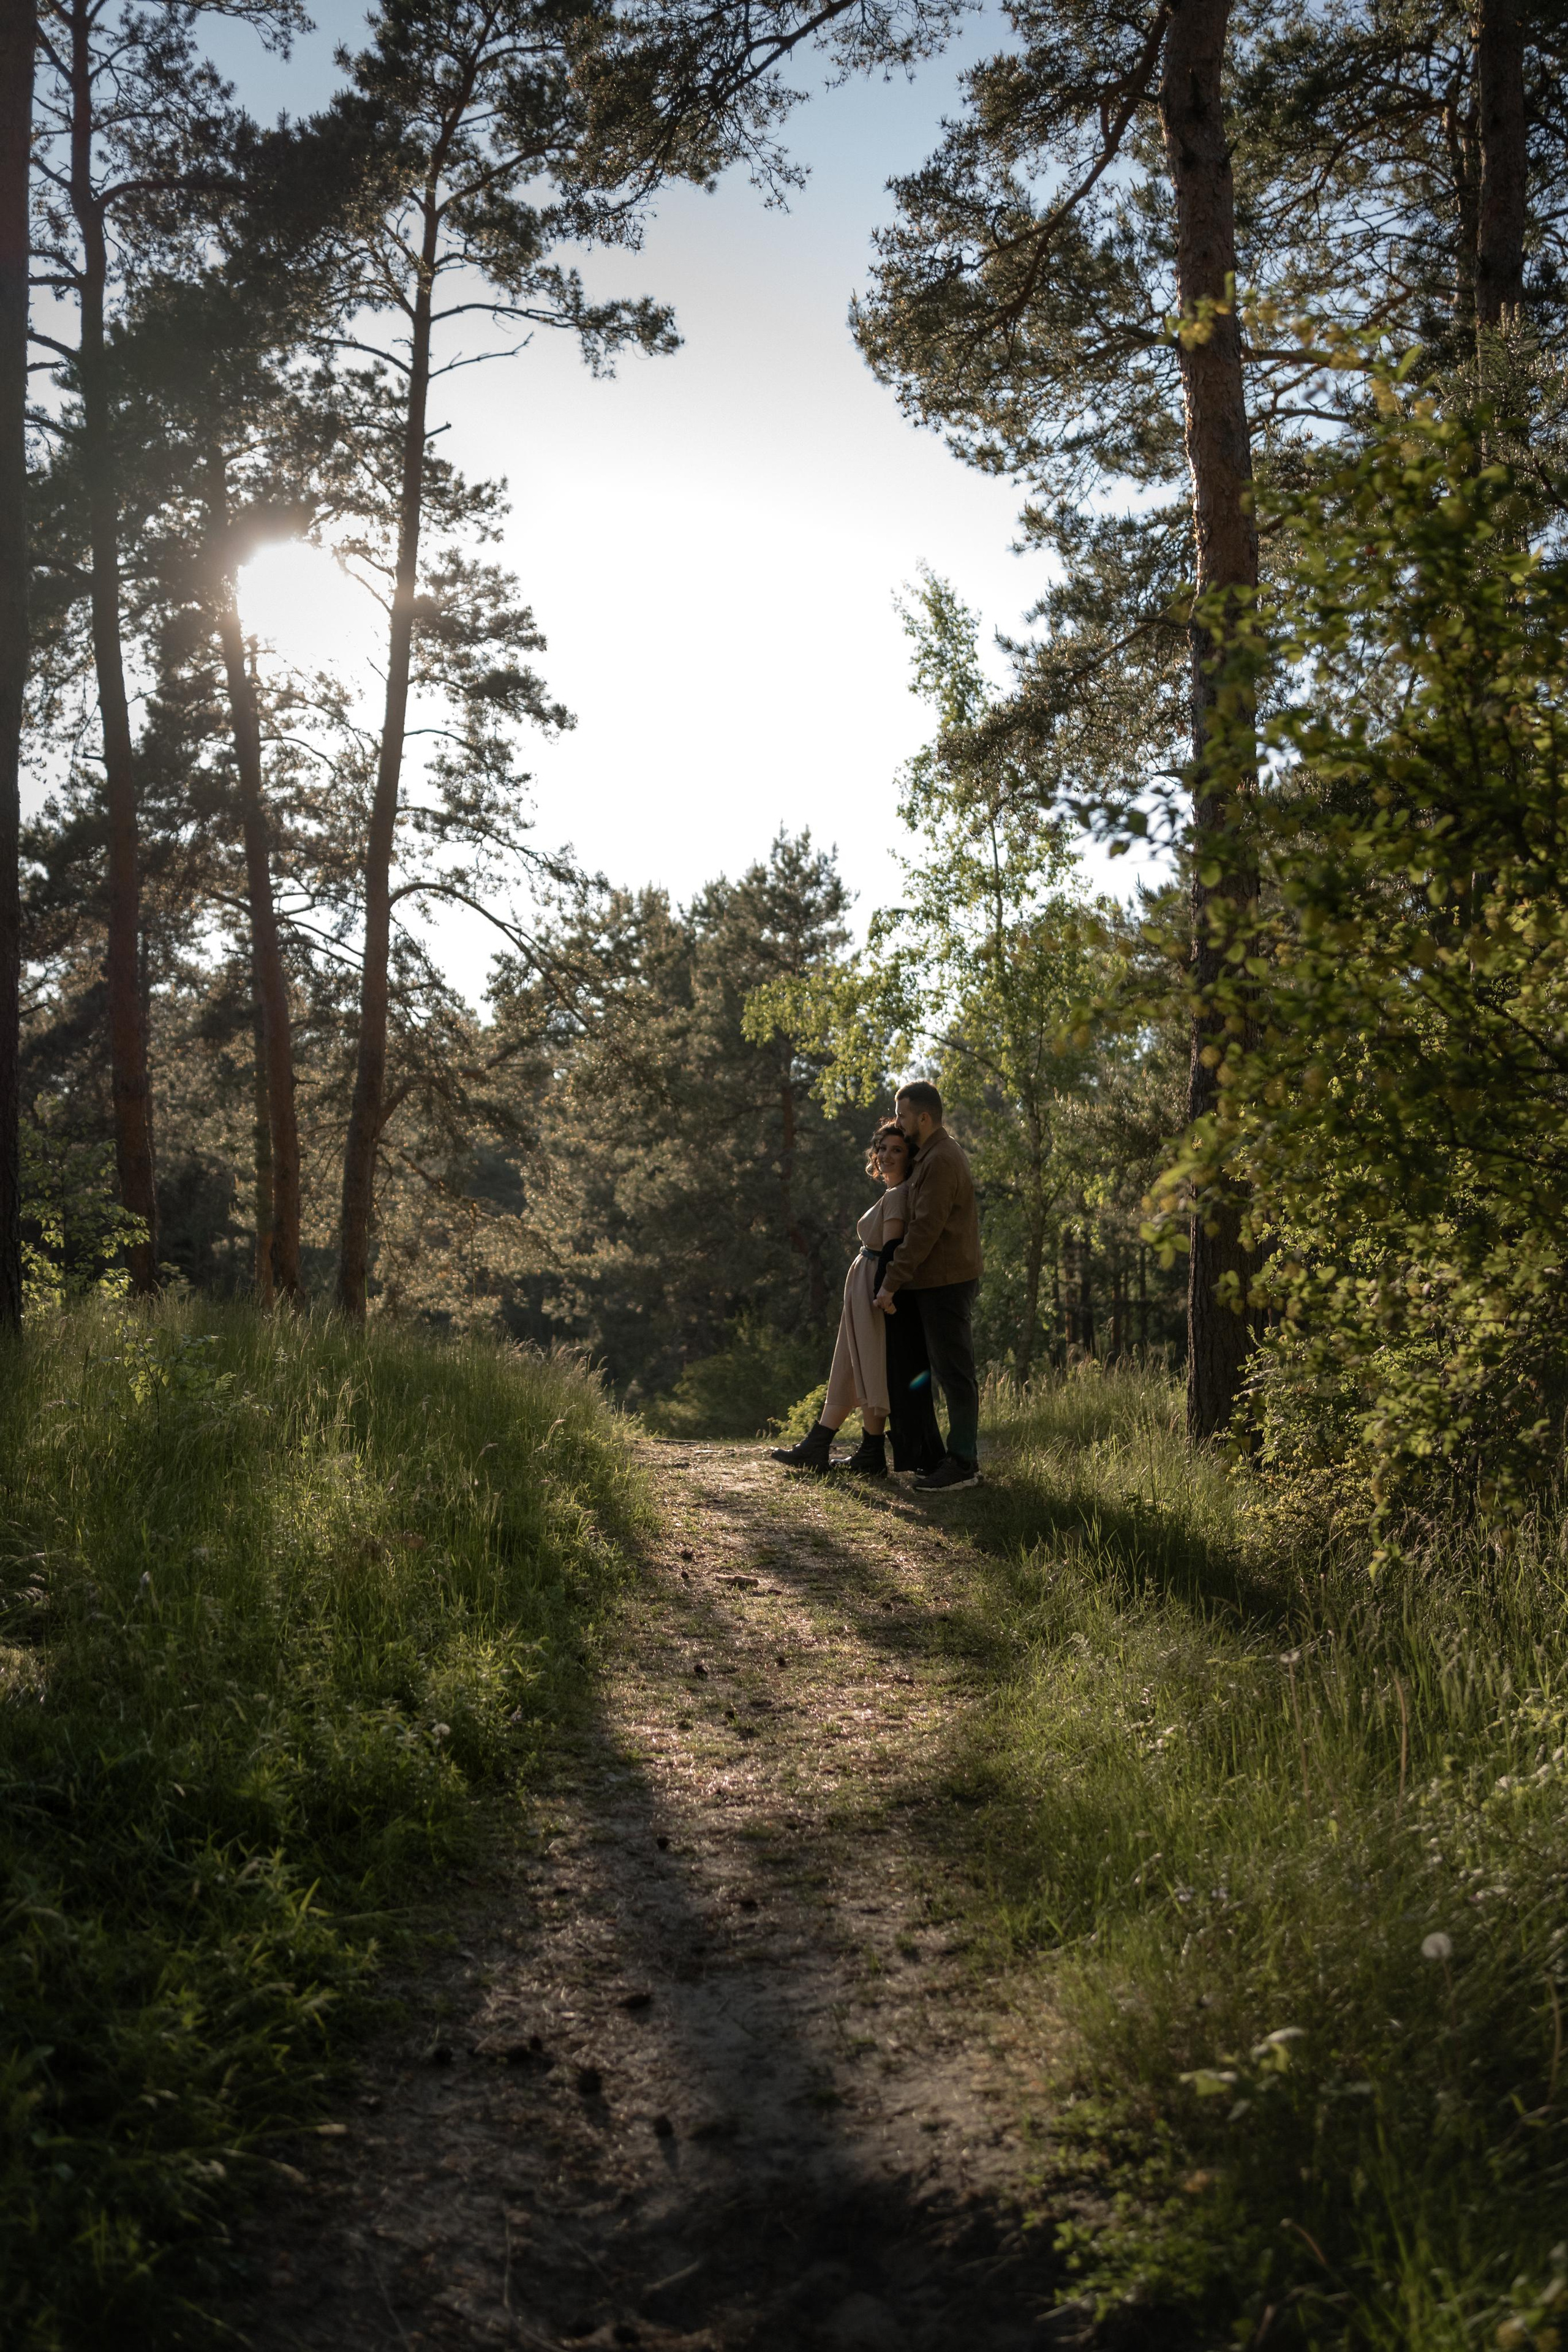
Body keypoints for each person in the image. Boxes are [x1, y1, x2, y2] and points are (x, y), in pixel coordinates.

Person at [769, 1121, 944, 1479]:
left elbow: (893, 1249)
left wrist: (885, 1292)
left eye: (896, 1149)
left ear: (910, 1156)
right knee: (851, 1365)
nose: (886, 1155)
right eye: (881, 1148)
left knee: (868, 1366)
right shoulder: (895, 1192)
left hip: (874, 1290)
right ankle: (831, 1445)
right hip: (864, 1286)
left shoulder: (898, 1196)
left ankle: (864, 1450)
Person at [871, 1080, 982, 1492]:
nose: (897, 1123)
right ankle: (944, 1457)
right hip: (935, 1281)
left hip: (947, 1282)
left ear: (923, 1116)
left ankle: (964, 1464)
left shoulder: (941, 1160)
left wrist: (891, 1283)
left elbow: (923, 1232)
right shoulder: (930, 1156)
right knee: (944, 1370)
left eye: (901, 1116)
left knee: (955, 1372)